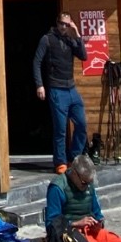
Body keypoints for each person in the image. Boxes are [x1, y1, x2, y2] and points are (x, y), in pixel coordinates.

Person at [33, 11, 88, 172]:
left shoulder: (71, 40)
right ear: (56, 23)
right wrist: (39, 85)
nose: (63, 27)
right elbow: (36, 62)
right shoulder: (47, 39)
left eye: (66, 24)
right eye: (61, 23)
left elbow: (84, 56)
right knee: (60, 128)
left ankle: (75, 157)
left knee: (82, 124)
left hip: (72, 89)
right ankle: (60, 162)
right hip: (57, 90)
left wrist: (77, 33)